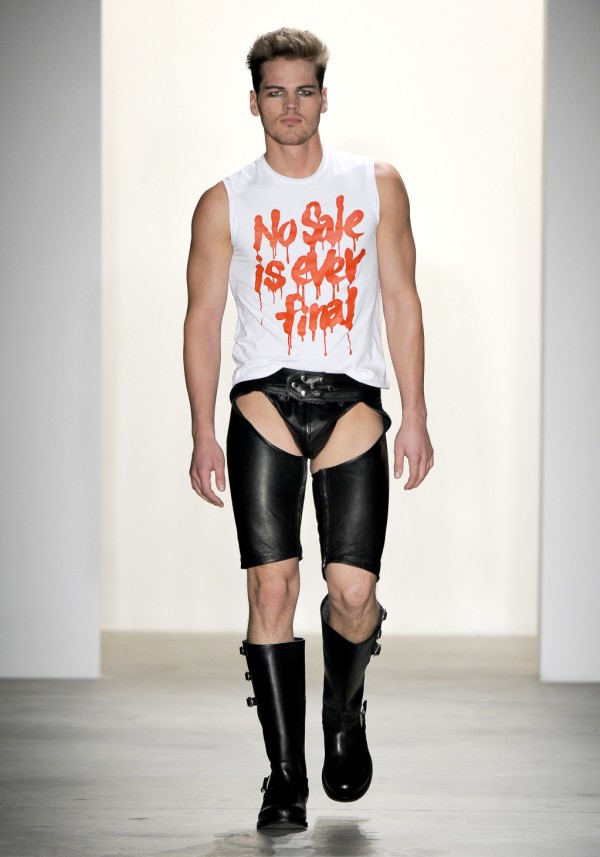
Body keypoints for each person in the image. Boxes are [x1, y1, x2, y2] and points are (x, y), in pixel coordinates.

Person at [183, 27, 434, 832]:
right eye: (274, 92)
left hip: (353, 396)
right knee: (273, 586)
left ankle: (344, 704)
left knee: (354, 594)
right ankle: (285, 775)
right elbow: (202, 320)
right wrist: (201, 430)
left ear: (324, 97)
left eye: (303, 91)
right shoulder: (225, 201)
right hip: (263, 396)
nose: (289, 106)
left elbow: (401, 298)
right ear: (253, 100)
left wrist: (416, 412)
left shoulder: (375, 184)